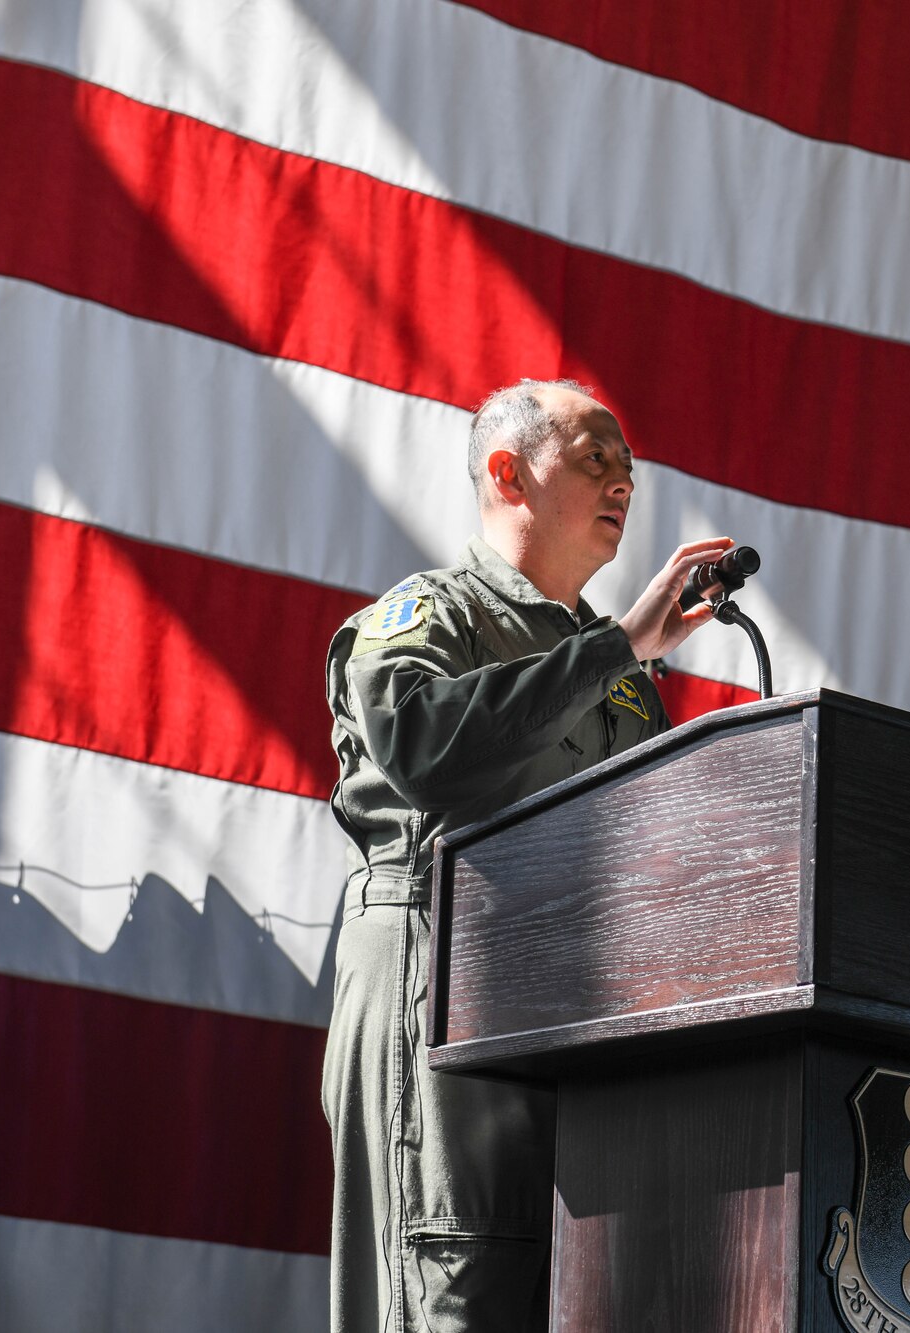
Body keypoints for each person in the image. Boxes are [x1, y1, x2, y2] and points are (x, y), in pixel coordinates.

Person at [320, 378, 732, 1332]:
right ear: (508, 472)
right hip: (442, 971)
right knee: (460, 1275)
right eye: (597, 458)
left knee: (574, 1290)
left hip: (577, 1005)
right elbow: (425, 748)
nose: (624, 482)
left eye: (630, 468)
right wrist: (623, 644)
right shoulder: (429, 617)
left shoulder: (617, 668)